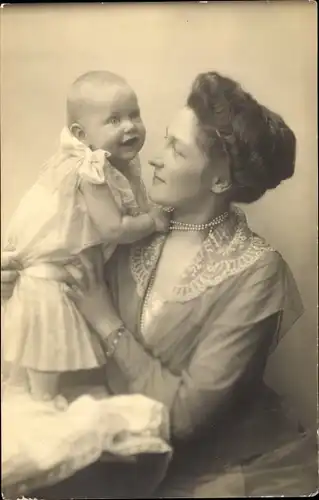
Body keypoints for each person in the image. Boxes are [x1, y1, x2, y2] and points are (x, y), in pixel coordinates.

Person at [1, 71, 317, 497]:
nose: (154, 158)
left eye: (176, 150)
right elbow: (53, 323)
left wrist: (105, 319)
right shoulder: (127, 232)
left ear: (219, 181)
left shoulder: (256, 272)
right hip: (123, 461)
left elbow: (183, 418)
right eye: (164, 139)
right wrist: (13, 284)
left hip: (222, 471)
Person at [1, 70, 168, 408]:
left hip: (51, 273)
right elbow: (113, 229)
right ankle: (42, 406)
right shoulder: (91, 168)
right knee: (45, 350)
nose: (129, 127)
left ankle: (42, 401)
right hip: (48, 276)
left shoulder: (98, 166)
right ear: (81, 134)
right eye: (114, 120)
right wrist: (152, 221)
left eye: (134, 114)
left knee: (42, 356)